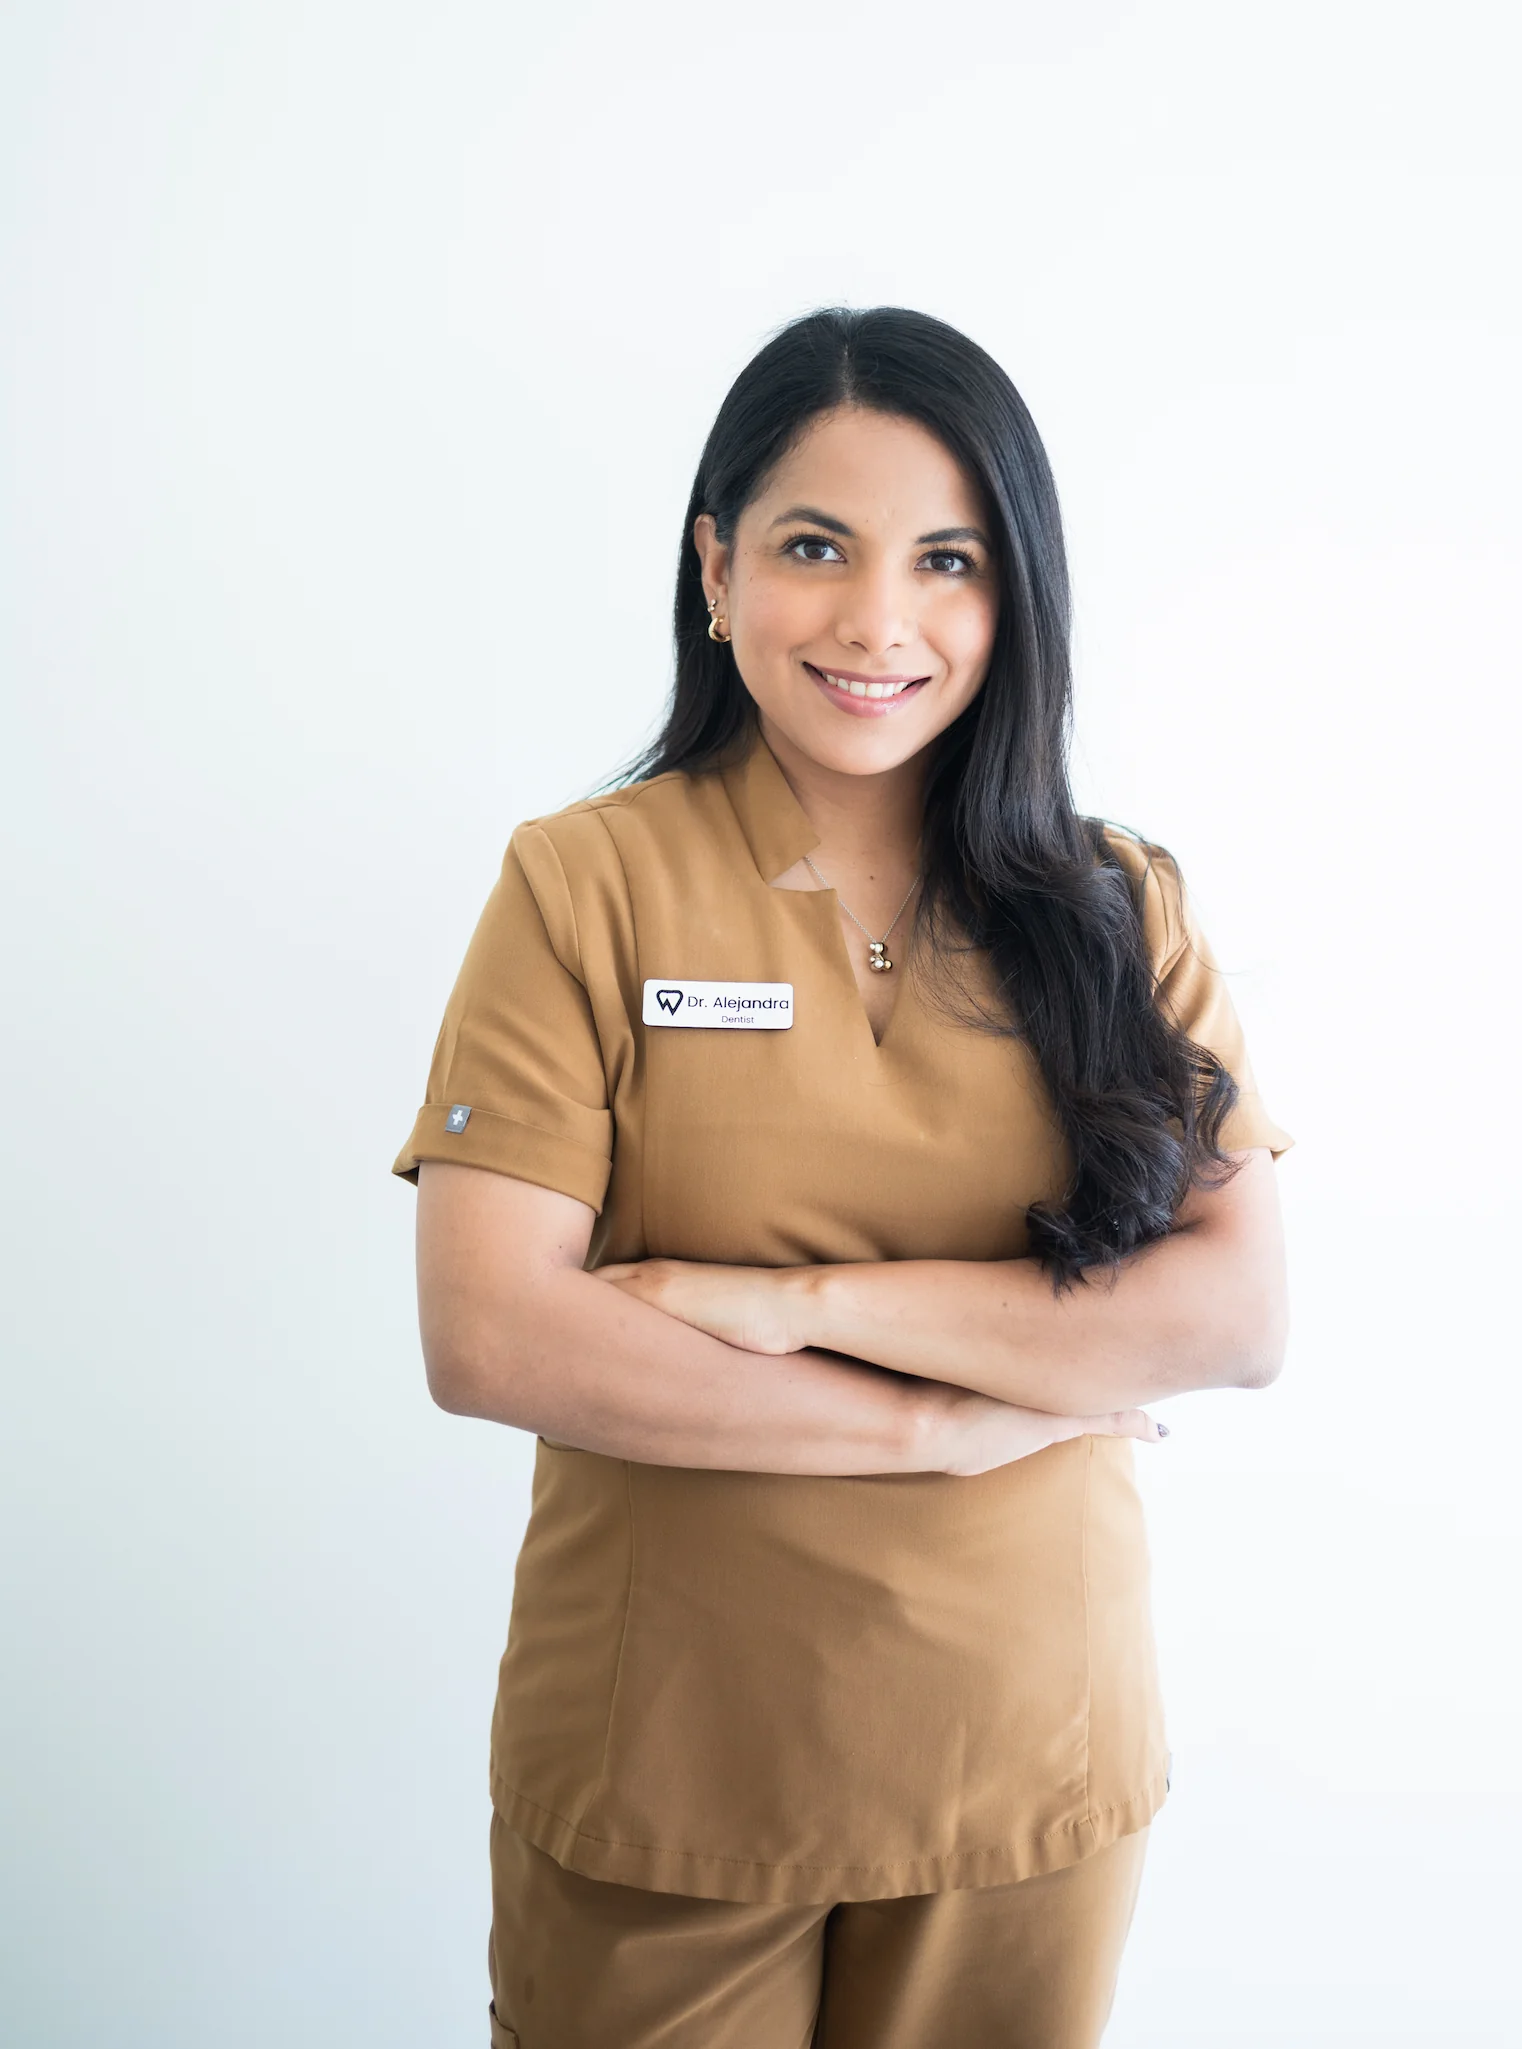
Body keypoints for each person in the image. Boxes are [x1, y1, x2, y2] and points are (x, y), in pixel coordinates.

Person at [393, 305, 1291, 2049]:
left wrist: (807, 1305)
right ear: (716, 569)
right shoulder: (581, 888)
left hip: (1027, 1747)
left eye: (947, 561)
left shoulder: (1120, 908)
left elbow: (1238, 1310)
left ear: (1012, 597)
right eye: (816, 548)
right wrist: (929, 1422)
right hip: (669, 1756)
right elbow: (493, 1336)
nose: (879, 622)